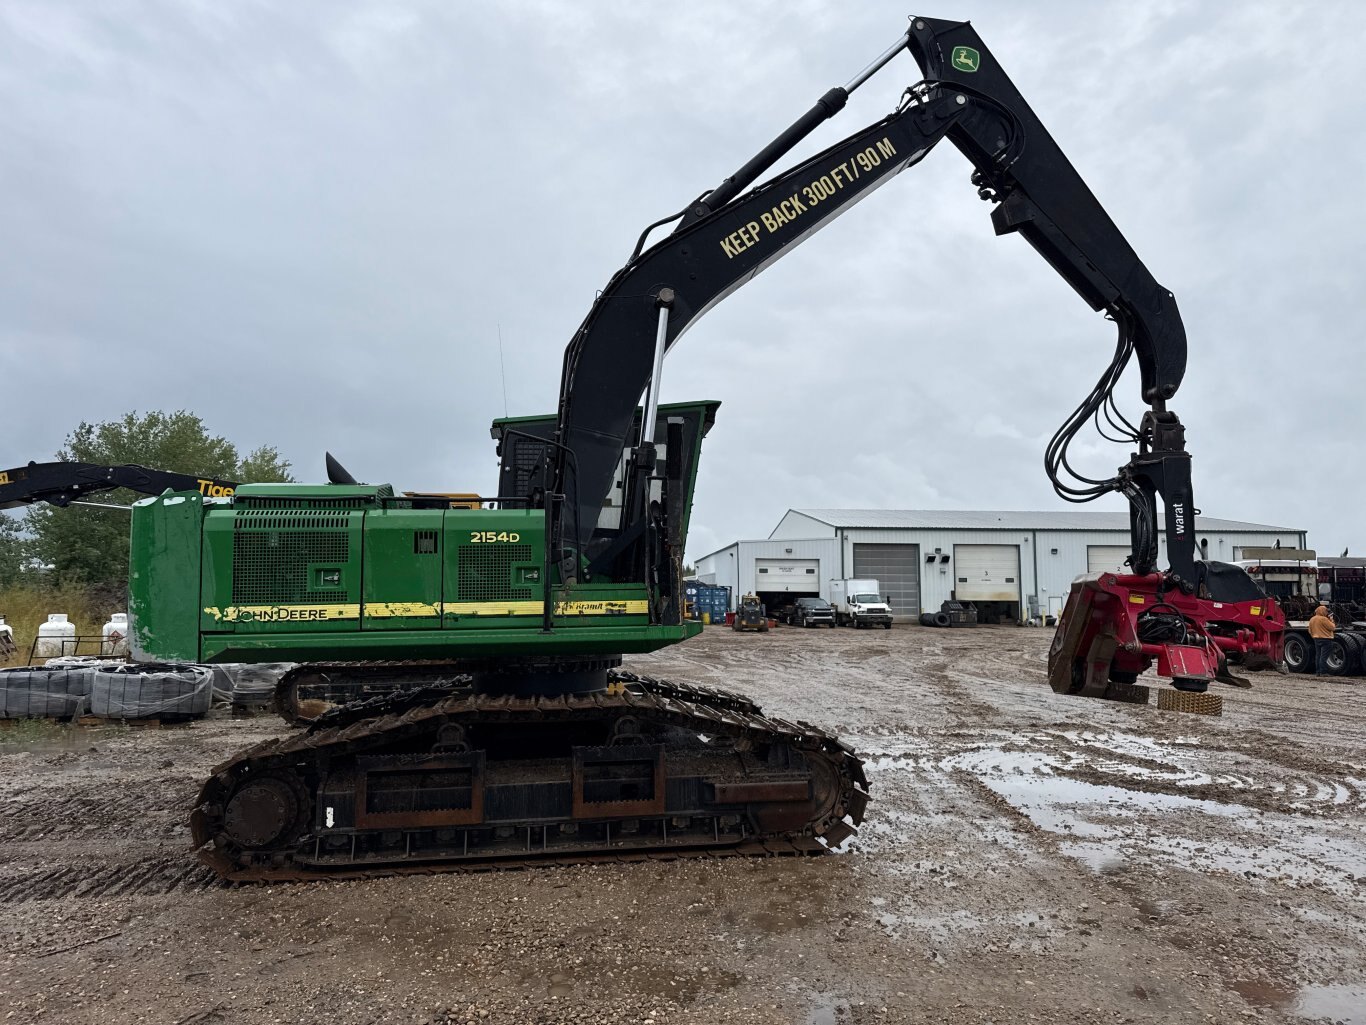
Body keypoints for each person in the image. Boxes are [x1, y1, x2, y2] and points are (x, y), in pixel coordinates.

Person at [1308, 604, 1336, 675]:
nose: (1326, 612)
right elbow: (1332, 627)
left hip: (1316, 639)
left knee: (1318, 656)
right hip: (1326, 639)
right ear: (1322, 611)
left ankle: (1318, 672)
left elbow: (1309, 630)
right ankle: (1323, 672)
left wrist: (1314, 636)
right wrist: (1331, 620)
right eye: (1325, 611)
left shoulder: (1312, 619)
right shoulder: (1323, 619)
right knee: (1323, 657)